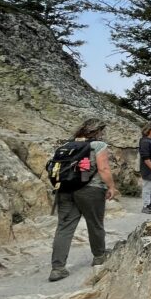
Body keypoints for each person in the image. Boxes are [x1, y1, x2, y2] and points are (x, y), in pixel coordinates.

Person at [50, 118, 118, 282]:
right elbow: (103, 168)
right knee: (94, 223)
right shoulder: (98, 145)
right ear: (98, 131)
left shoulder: (65, 146)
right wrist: (111, 187)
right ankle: (99, 256)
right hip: (91, 190)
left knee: (64, 228)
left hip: (65, 190)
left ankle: (57, 268)